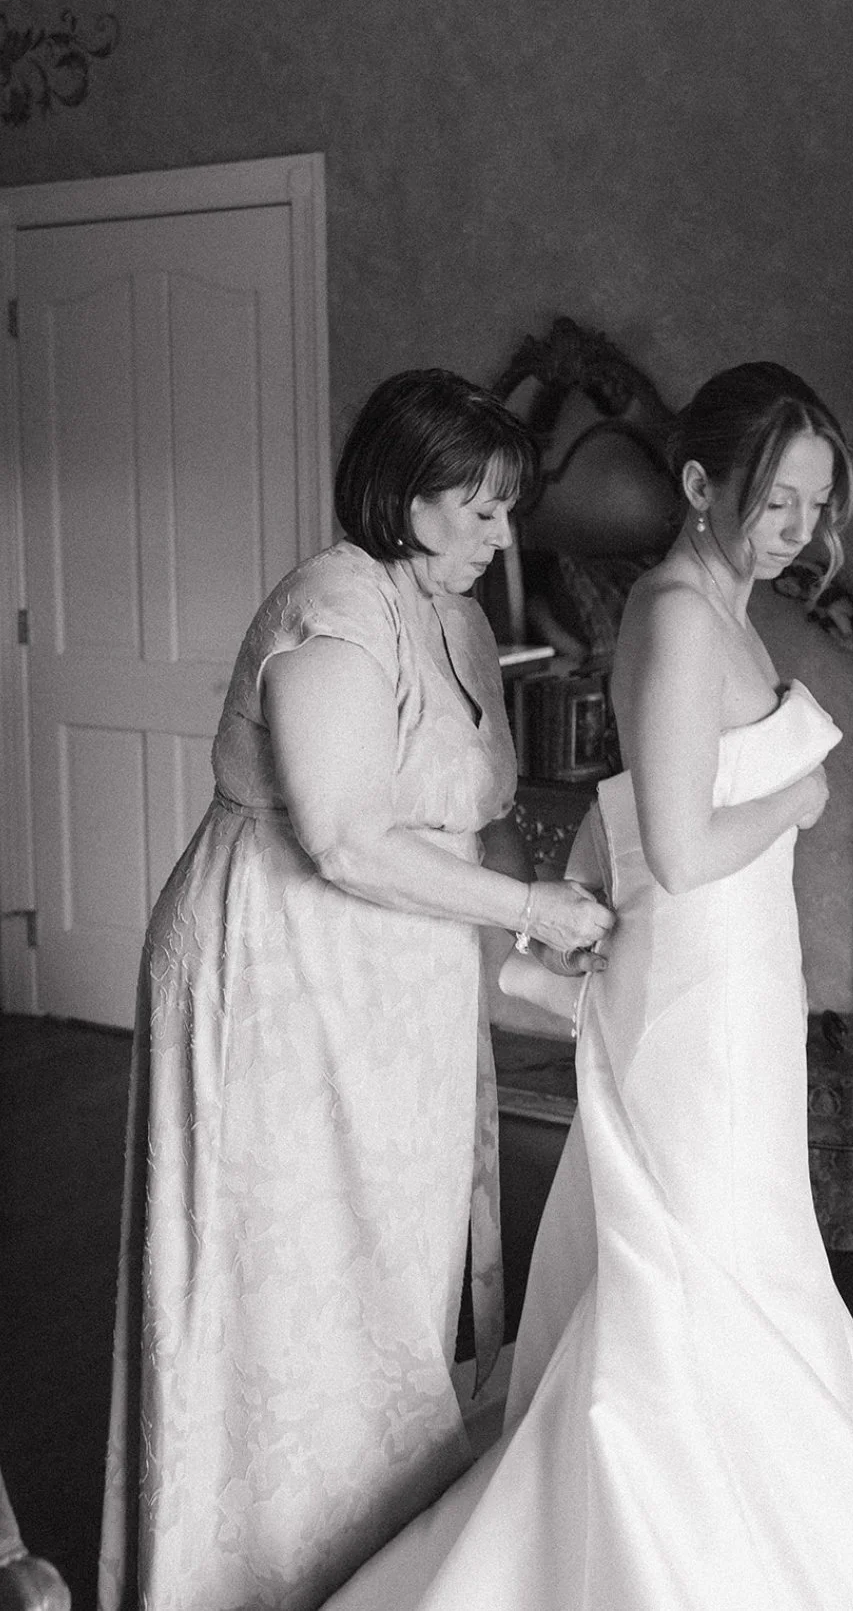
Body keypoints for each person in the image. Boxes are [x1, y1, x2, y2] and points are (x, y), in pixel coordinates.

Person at [321, 363, 853, 1611]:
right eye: (774, 502)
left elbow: (621, 811)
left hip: (735, 979)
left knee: (739, 1254)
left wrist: (587, 916)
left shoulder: (721, 608)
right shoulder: (682, 614)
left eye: (816, 504)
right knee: (692, 1265)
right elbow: (687, 843)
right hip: (700, 991)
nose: (798, 529)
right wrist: (799, 799)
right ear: (701, 483)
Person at [97, 368, 614, 1611]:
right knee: (283, 1275)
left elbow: (477, 825)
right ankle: (238, 1575)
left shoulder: (467, 622)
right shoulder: (334, 606)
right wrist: (537, 911)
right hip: (279, 973)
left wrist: (544, 972)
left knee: (387, 1271)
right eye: (479, 508)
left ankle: (368, 1563)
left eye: (507, 510)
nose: (503, 536)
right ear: (402, 494)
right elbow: (341, 836)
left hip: (399, 989)